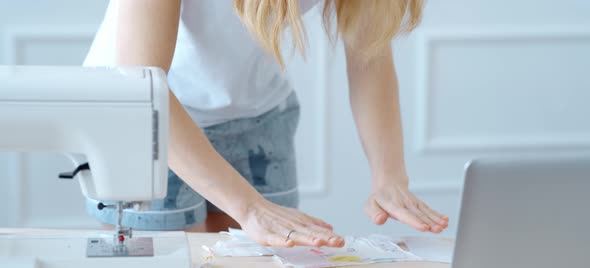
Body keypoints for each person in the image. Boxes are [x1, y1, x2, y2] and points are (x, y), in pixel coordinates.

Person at [84, 0, 448, 248]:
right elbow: (143, 89)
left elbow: (370, 59)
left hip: (260, 116)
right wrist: (249, 208)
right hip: (146, 117)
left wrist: (389, 176)